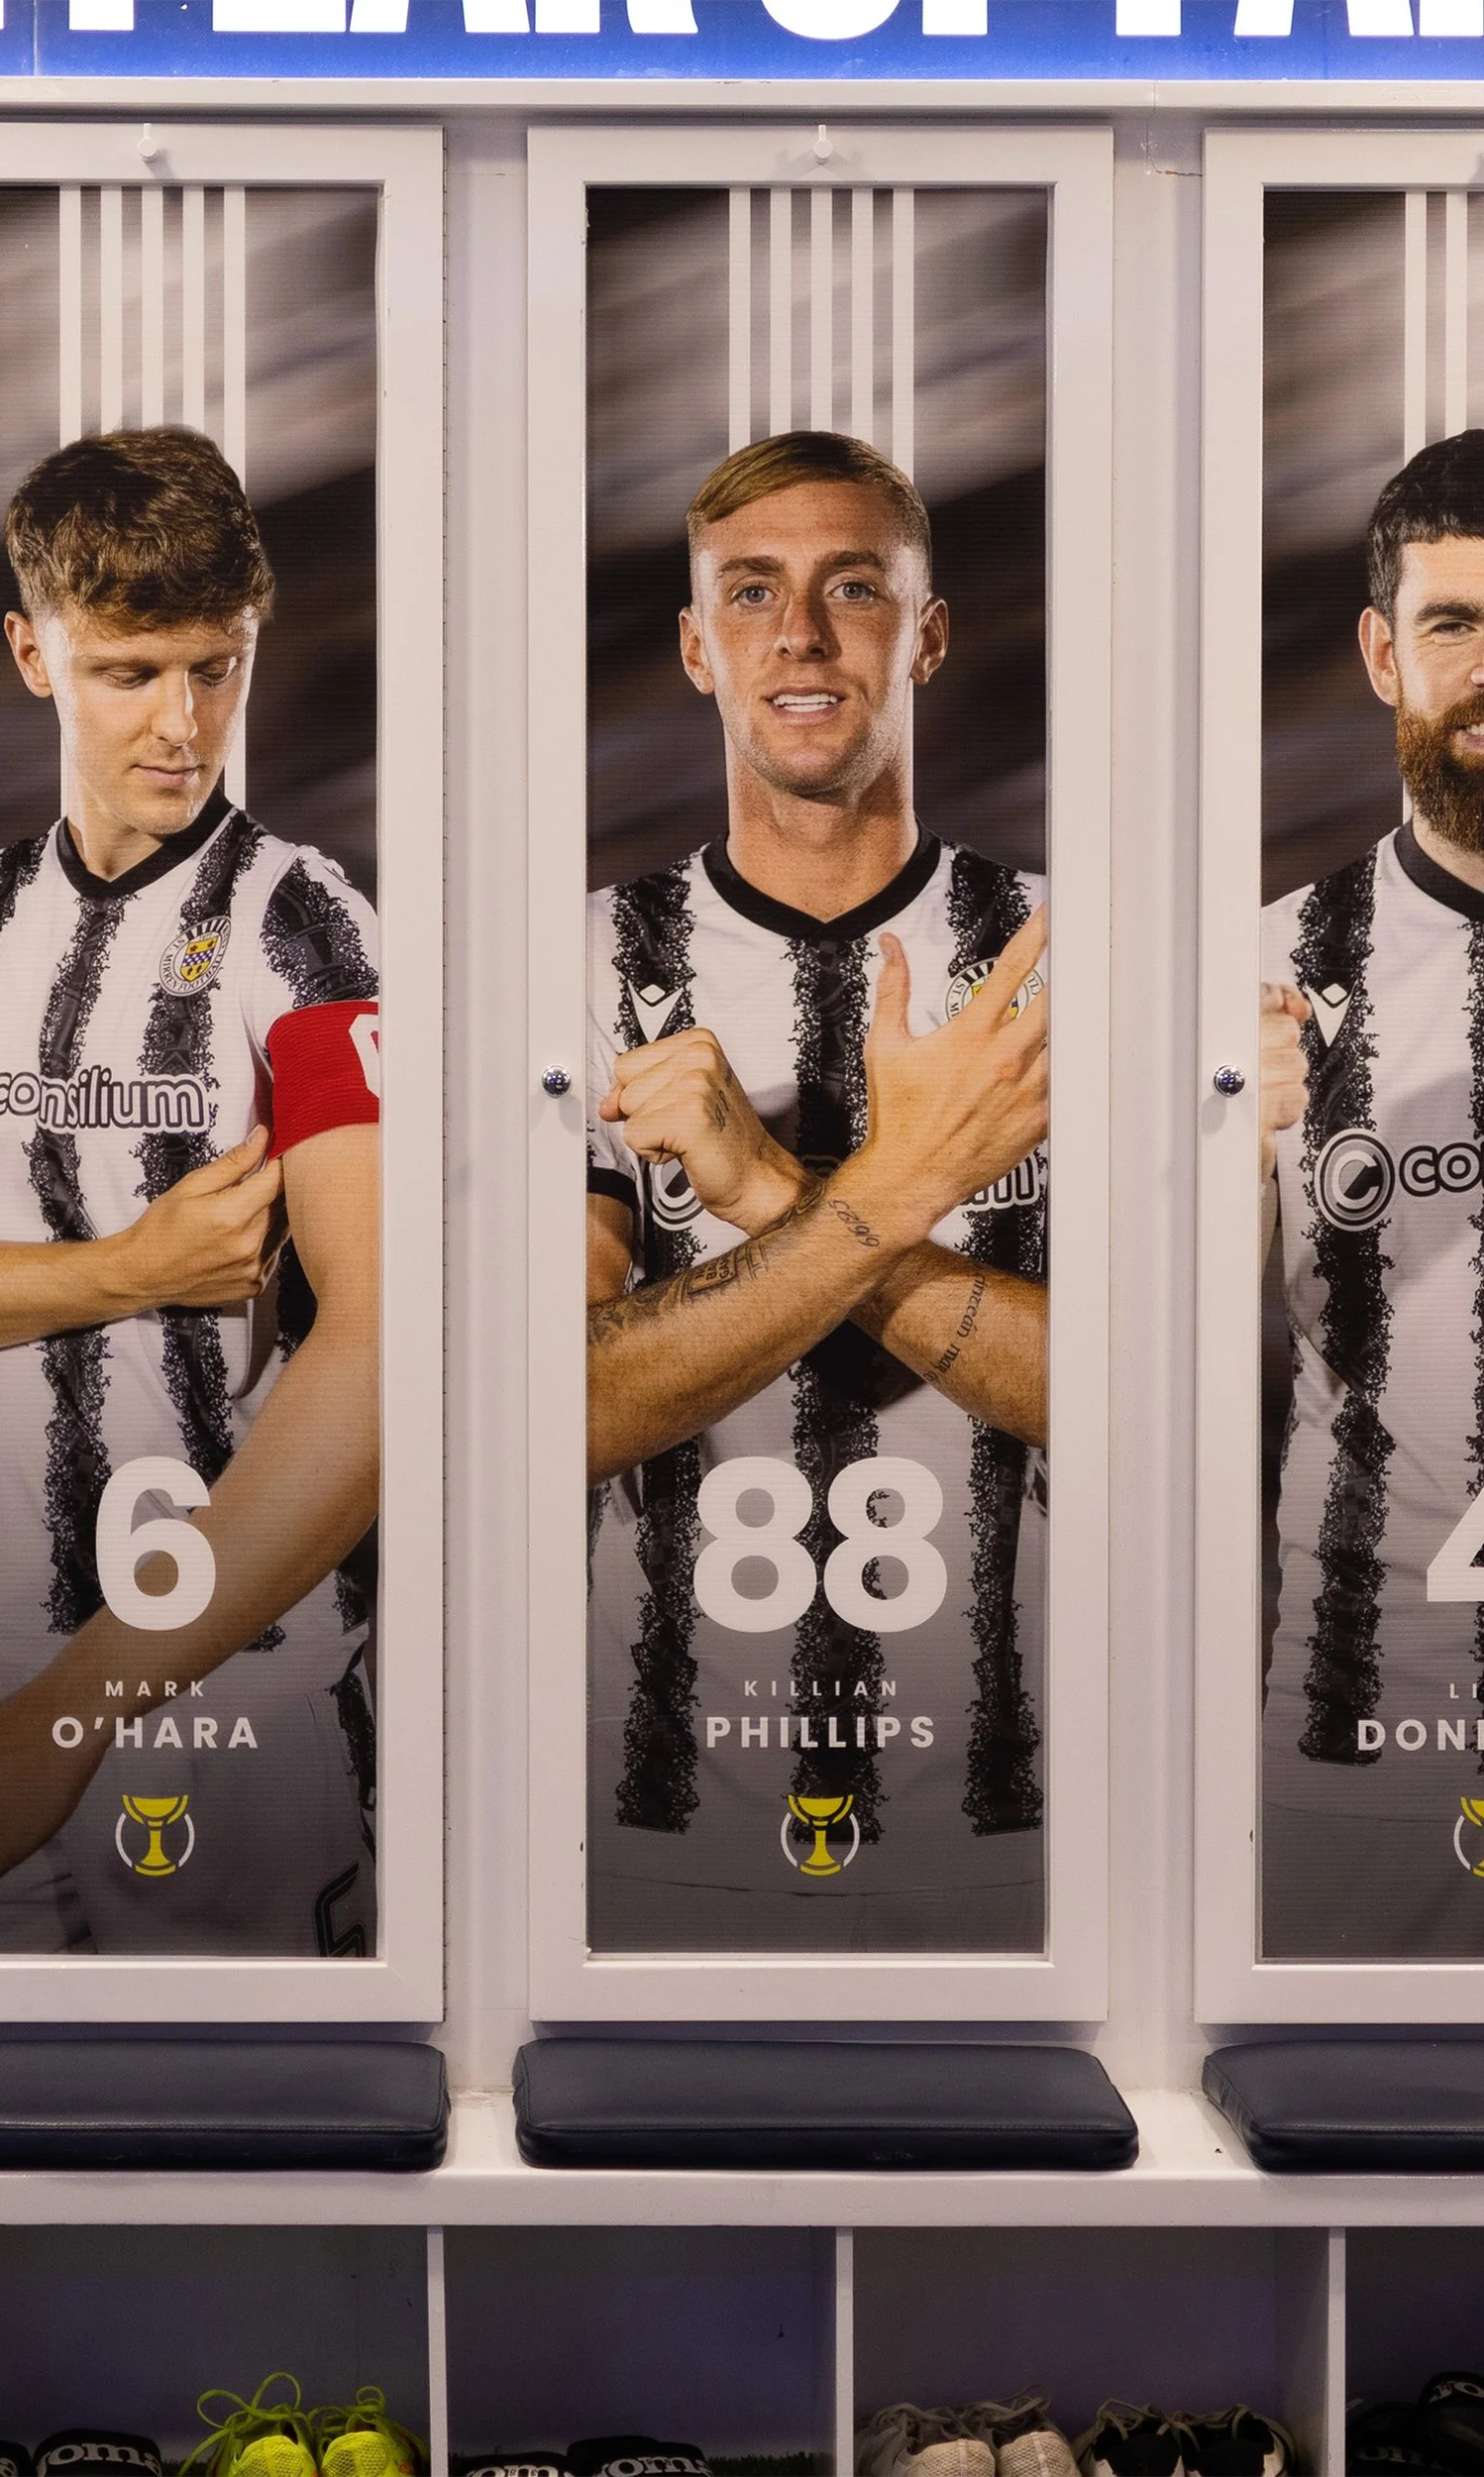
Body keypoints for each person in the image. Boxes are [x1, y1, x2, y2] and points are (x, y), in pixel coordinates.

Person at [0, 427, 381, 1958]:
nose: (184, 725)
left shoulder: (306, 922)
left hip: (229, 1678)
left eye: (215, 668)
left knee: (240, 2102)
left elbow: (379, 1352)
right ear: (32, 655)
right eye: (129, 673)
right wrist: (124, 1269)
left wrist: (66, 1717)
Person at [583, 430, 1051, 1955]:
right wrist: (902, 1189)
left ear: (927, 633)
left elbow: (1130, 1400)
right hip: (657, 1826)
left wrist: (769, 1186)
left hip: (1025, 1832)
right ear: (695, 648)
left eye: (853, 588)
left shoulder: (1064, 955)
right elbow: (570, 1406)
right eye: (750, 592)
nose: (799, 634)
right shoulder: (583, 964)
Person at [1257, 428, 1484, 1959]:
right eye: (1453, 623)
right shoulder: (1264, 973)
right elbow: (1156, 1386)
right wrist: (1225, 1155)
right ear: (1383, 655)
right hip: (1360, 1744)